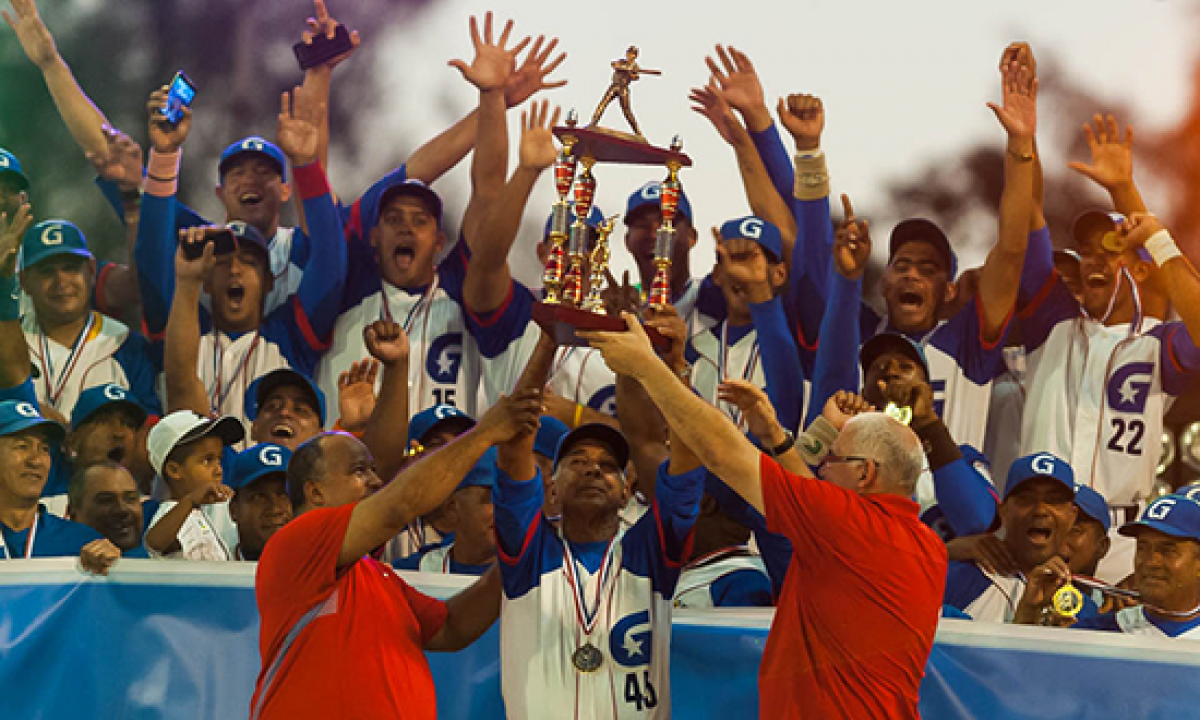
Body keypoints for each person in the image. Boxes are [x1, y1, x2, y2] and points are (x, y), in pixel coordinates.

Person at [582, 314, 945, 719]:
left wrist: (647, 367)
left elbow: (721, 450)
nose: (824, 468)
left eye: (834, 459)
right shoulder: (926, 546)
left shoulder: (850, 526)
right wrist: (775, 435)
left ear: (865, 473)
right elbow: (814, 498)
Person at [249, 391, 540, 720]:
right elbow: (400, 505)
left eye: (373, 470)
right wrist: (485, 433)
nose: (375, 481)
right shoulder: (297, 542)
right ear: (315, 491)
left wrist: (513, 558)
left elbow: (451, 627)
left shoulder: (376, 574)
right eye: (360, 471)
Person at [316, 14, 537, 420]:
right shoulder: (346, 282)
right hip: (352, 456)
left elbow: (488, 191)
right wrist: (318, 76)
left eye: (420, 221)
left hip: (445, 458)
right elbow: (313, 185)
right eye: (394, 218)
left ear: (439, 241)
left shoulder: (459, 285)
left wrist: (492, 97)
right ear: (373, 236)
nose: (406, 226)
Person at [1019, 120, 1200, 579]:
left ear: (1139, 270)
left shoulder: (1156, 344)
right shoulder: (1053, 324)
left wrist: (1131, 201)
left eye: (1110, 249)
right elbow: (1027, 216)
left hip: (1122, 541)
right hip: (1039, 533)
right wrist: (1022, 141)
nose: (1093, 260)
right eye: (1086, 251)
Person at [139, 82, 346, 421]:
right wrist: (164, 155)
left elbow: (331, 267)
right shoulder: (184, 327)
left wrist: (307, 164)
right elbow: (150, 258)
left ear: (269, 281)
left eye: (249, 262)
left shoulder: (290, 336)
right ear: (206, 280)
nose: (235, 270)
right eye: (223, 262)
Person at [18, 219, 160, 420]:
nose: (61, 282)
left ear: (91, 271)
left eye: (70, 268)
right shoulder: (9, 342)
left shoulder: (126, 345)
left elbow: (149, 426)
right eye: (46, 272)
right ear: (24, 281)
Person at [1016, 493, 1200, 638]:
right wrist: (1029, 612)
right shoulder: (1098, 633)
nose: (1151, 562)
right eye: (1143, 548)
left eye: (1168, 551)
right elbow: (1021, 671)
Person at [943, 453, 1078, 622]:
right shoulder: (957, 579)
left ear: (1072, 516)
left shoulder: (1081, 606)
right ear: (1003, 512)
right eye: (1026, 499)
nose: (1040, 510)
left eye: (1054, 500)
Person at [0, 398, 112, 564]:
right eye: (22, 446)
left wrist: (115, 569)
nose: (36, 461)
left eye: (44, 448)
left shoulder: (84, 545)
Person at [142, 410, 244, 560]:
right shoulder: (171, 511)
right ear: (174, 470)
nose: (218, 470)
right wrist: (190, 501)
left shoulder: (201, 513)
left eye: (219, 459)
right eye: (207, 460)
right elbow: (154, 543)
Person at [394, 448, 497, 575]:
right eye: (493, 498)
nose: (506, 511)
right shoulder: (410, 573)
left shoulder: (521, 575)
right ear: (452, 509)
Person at [65, 461, 148, 557]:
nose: (122, 510)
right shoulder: (55, 559)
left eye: (131, 498)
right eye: (106, 500)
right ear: (73, 513)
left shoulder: (158, 558)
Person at [227, 443, 293, 561]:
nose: (275, 509)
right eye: (258, 497)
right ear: (233, 510)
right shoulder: (211, 566)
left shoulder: (323, 568)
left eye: (284, 494)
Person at [589, 46, 659, 137]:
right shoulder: (621, 62)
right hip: (614, 86)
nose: (630, 55)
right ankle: (593, 123)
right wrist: (625, 68)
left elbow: (636, 77)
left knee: (627, 111)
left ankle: (638, 132)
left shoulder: (635, 66)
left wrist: (631, 73)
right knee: (603, 104)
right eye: (629, 53)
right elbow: (614, 65)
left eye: (633, 54)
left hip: (623, 88)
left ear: (635, 56)